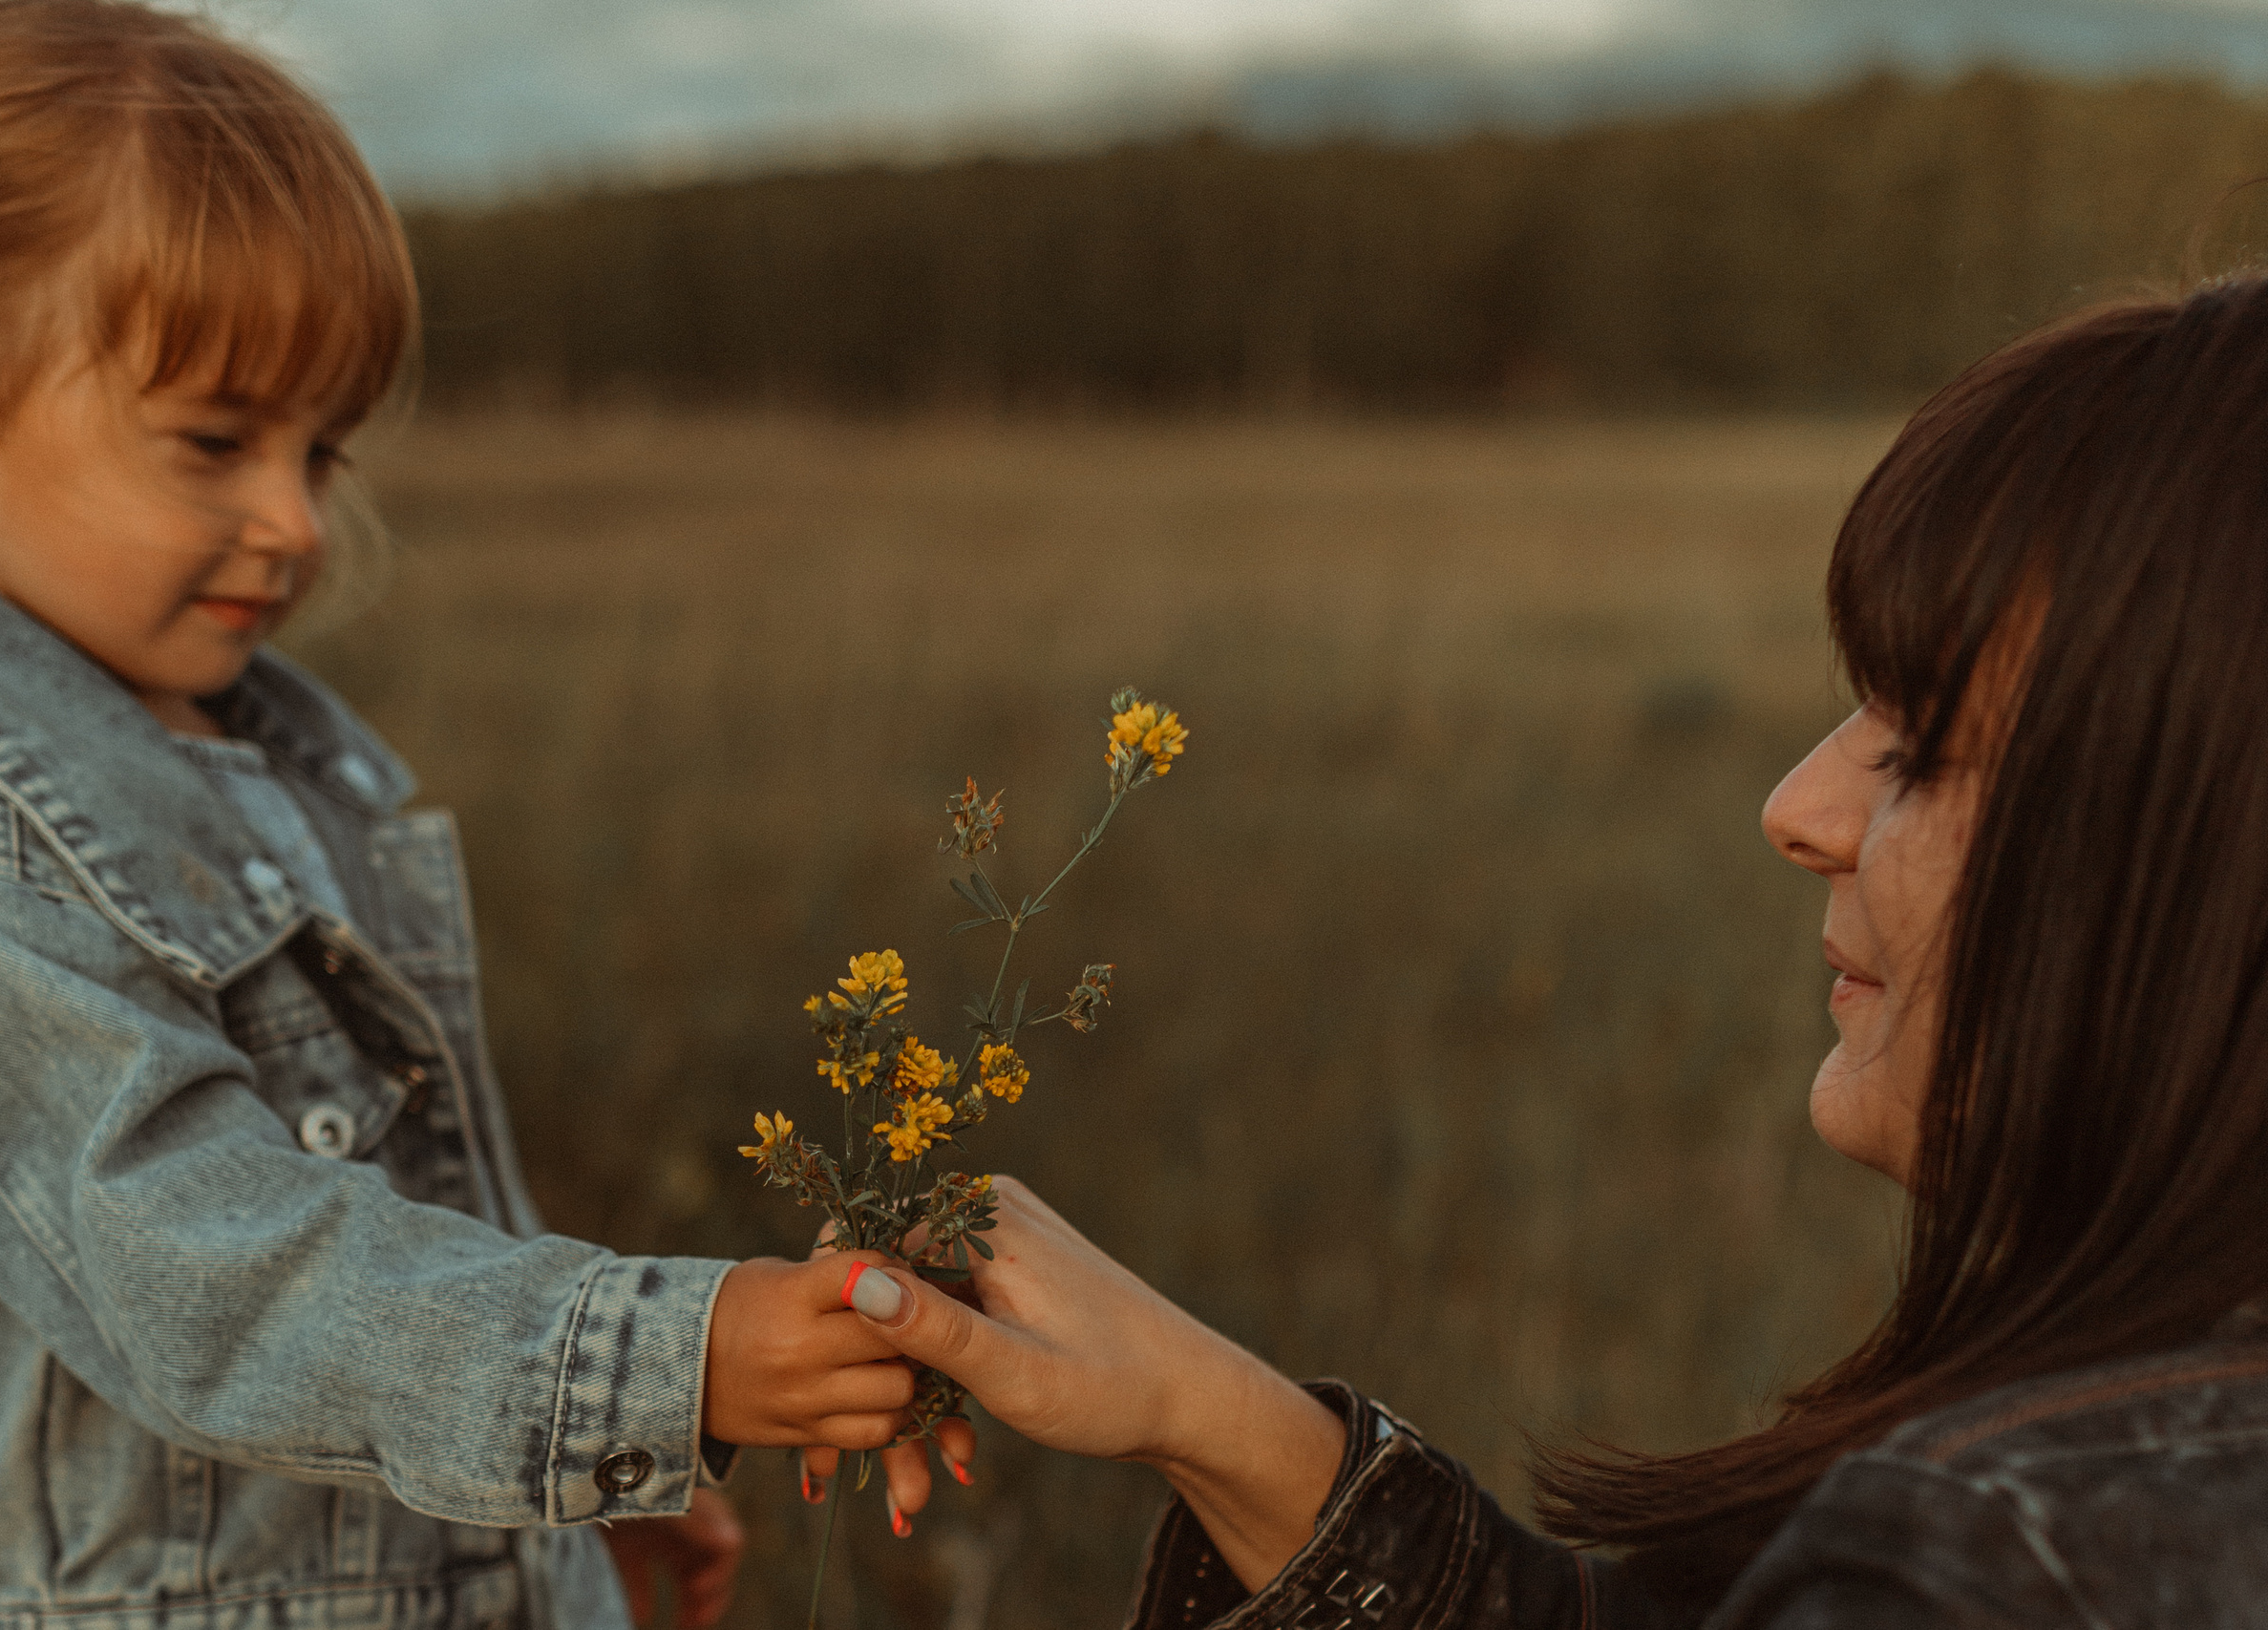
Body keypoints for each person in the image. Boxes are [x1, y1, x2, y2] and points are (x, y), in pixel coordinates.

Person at [842, 277, 2268, 1624]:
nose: (1797, 810)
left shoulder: (1978, 1571)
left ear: (2189, 849)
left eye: (1923, 743)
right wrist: (1220, 1430)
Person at [0, 5, 937, 1626]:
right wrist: (665, 1368)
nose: (294, 520)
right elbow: (235, 1288)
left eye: (321, 448)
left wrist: (560, 1509)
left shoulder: (250, 754)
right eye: (214, 442)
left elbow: (409, 1222)